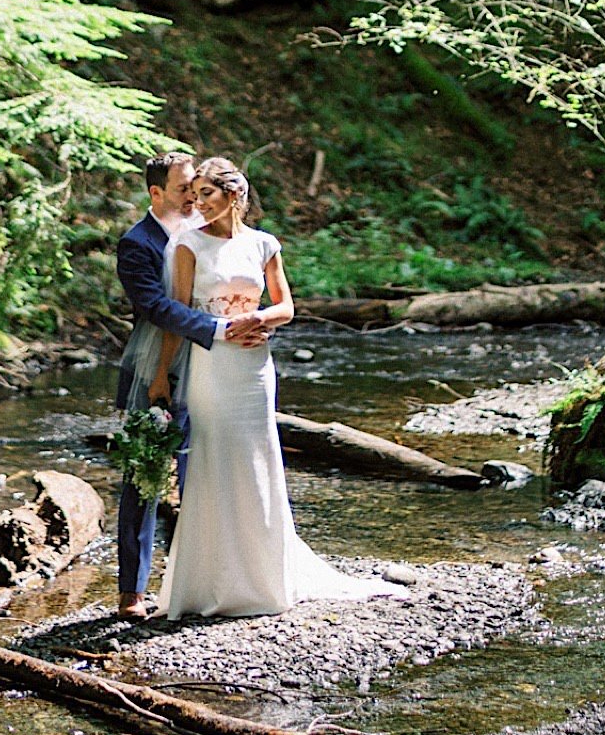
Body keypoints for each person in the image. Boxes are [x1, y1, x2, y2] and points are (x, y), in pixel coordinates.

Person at [155, 156, 405, 619]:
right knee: (214, 458)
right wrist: (161, 375)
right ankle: (209, 580)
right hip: (211, 364)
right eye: (194, 195)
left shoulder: (264, 244)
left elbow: (286, 304)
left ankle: (263, 577)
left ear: (233, 196)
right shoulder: (187, 245)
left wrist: (259, 318)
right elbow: (177, 315)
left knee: (258, 458)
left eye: (206, 194)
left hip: (254, 366)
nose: (197, 203)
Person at [113, 152, 274, 620]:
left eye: (198, 188)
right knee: (144, 476)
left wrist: (254, 323)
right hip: (156, 369)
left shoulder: (211, 233)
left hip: (216, 371)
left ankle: (203, 580)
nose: (193, 197)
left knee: (203, 475)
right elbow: (156, 308)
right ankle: (132, 591)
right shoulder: (137, 243)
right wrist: (220, 328)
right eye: (184, 188)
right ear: (156, 193)